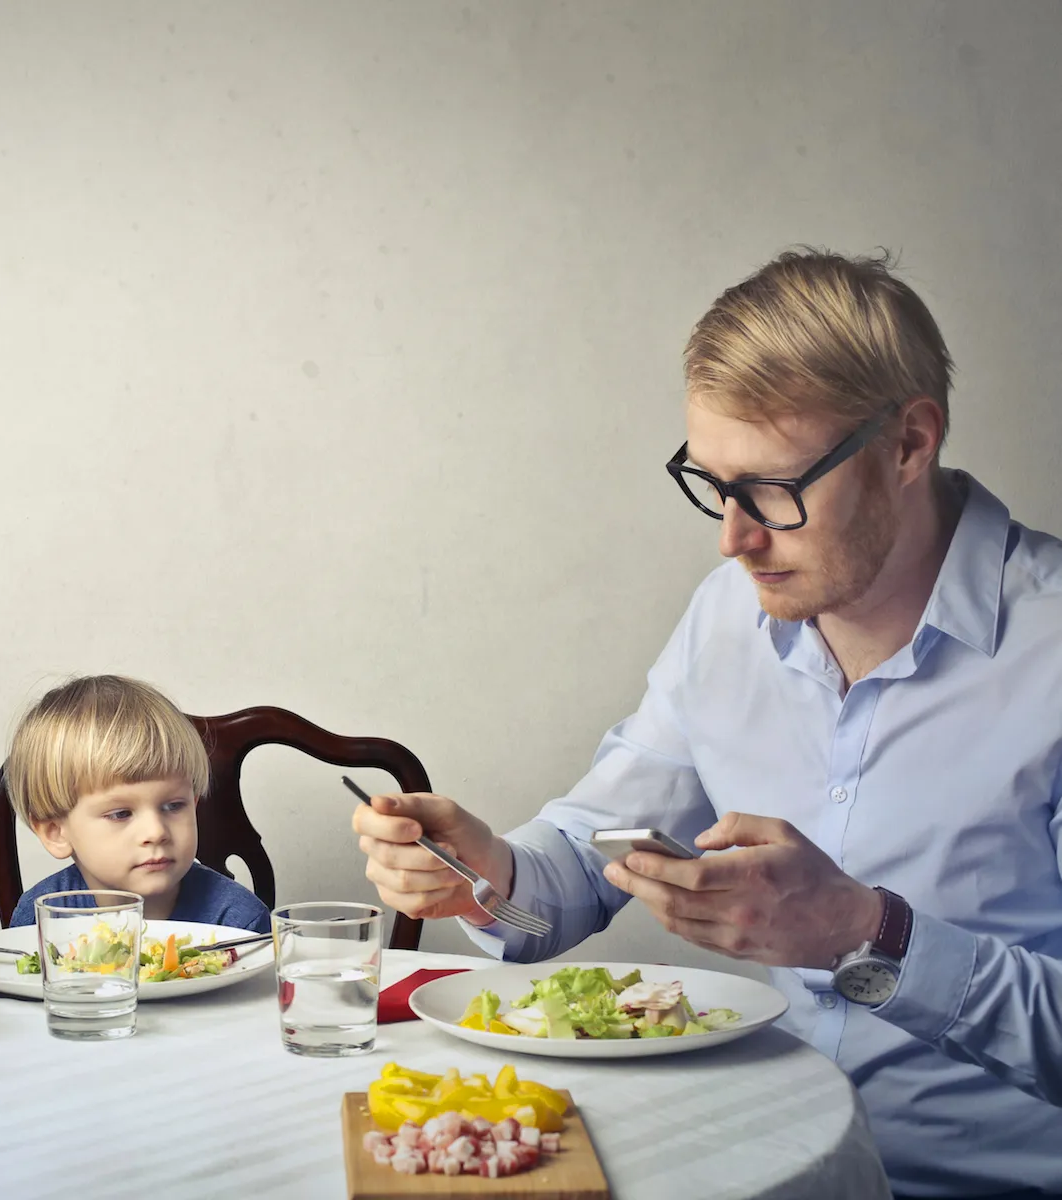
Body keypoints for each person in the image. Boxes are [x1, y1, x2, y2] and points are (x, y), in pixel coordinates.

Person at [352, 250, 1062, 1199]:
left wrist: (868, 933)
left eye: (770, 489)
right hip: (755, 1163)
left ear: (908, 445)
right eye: (713, 484)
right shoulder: (727, 617)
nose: (732, 537)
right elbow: (585, 856)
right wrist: (484, 875)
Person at [6, 675, 272, 933]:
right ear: (56, 833)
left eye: (173, 806)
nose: (156, 832)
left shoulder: (237, 922)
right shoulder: (40, 919)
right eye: (121, 813)